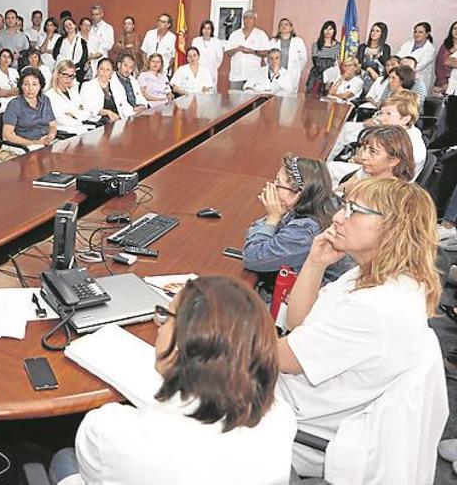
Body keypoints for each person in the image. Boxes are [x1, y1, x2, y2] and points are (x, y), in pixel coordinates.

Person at [49, 276, 296, 484]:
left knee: (63, 459)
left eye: (166, 316)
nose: (159, 326)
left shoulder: (108, 429)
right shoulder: (281, 417)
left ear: (183, 343)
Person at [276, 177, 441, 478]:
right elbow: (298, 324)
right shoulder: (376, 276)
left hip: (293, 423)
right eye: (343, 206)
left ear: (392, 227)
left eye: (353, 210)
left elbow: (281, 359)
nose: (338, 217)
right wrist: (315, 262)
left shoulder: (375, 308)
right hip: (301, 397)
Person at [244, 156, 349, 285]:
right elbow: (254, 229)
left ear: (298, 193)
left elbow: (252, 257)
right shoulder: (321, 201)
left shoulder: (305, 230)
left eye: (278, 183)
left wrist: (273, 218)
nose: (272, 186)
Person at [334, 124, 415, 191]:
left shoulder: (392, 194)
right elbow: (340, 190)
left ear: (394, 160)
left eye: (373, 152)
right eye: (365, 148)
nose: (363, 156)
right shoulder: (367, 172)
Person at [2, 67, 57, 148]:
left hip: (46, 142)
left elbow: (53, 125)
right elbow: (7, 134)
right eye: (26, 84)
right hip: (25, 145)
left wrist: (50, 136)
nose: (30, 88)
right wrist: (33, 143)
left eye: (34, 84)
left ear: (40, 86)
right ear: (21, 86)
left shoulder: (45, 100)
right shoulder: (14, 105)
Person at [225, 10, 270, 90]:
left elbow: (267, 53)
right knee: (234, 101)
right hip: (236, 76)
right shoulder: (235, 34)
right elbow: (228, 53)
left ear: (255, 20)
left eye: (250, 18)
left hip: (253, 76)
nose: (247, 20)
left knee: (251, 101)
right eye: (245, 18)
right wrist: (237, 49)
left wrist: (252, 51)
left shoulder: (261, 34)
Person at [45, 60, 92, 135]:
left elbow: (86, 113)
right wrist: (77, 112)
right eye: (65, 75)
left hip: (81, 130)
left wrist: (72, 114)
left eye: (72, 76)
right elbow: (61, 119)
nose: (69, 79)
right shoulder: (49, 96)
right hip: (66, 134)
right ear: (57, 74)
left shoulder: (73, 92)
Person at [397, 22, 436, 93]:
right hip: (402, 78)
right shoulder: (407, 45)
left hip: (418, 80)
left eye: (420, 32)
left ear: (427, 34)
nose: (417, 34)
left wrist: (404, 64)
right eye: (415, 32)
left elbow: (420, 66)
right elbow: (398, 58)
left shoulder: (430, 49)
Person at [306, 21, 340, 95]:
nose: (328, 31)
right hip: (317, 74)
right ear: (322, 30)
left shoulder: (338, 46)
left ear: (334, 31)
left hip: (331, 75)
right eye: (326, 29)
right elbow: (316, 61)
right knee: (312, 99)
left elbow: (337, 62)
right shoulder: (316, 45)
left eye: (330, 29)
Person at [357, 22, 391, 92]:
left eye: (377, 31)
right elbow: (359, 62)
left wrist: (379, 56)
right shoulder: (363, 47)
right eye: (372, 30)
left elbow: (386, 64)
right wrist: (369, 69)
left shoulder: (385, 48)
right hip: (363, 75)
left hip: (379, 77)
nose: (374, 33)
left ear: (382, 34)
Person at [191, 20, 224, 91]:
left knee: (210, 94)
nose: (206, 30)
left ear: (212, 30)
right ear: (201, 30)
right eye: (204, 28)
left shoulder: (217, 42)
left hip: (211, 72)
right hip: (197, 71)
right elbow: (192, 56)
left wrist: (212, 67)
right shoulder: (196, 41)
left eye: (209, 28)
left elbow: (219, 59)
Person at [53, 17, 89, 82]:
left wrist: (73, 67)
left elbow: (84, 57)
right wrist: (65, 66)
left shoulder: (82, 41)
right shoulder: (60, 40)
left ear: (75, 25)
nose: (68, 27)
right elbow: (55, 54)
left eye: (70, 24)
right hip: (62, 71)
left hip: (77, 72)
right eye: (66, 26)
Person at [0, 48, 19, 113]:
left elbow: (20, 89)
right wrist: (13, 92)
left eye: (9, 57)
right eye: (4, 56)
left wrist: (8, 92)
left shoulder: (14, 71)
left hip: (17, 100)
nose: (6, 59)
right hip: (3, 102)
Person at [89, 4, 115, 74]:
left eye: (97, 14)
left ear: (102, 14)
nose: (94, 17)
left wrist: (97, 53)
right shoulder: (88, 26)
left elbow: (109, 44)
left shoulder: (108, 28)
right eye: (93, 14)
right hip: (88, 59)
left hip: (101, 58)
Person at [435, 21, 457, 91]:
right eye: (455, 28)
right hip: (441, 83)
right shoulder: (445, 46)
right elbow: (439, 65)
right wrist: (444, 83)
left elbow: (448, 62)